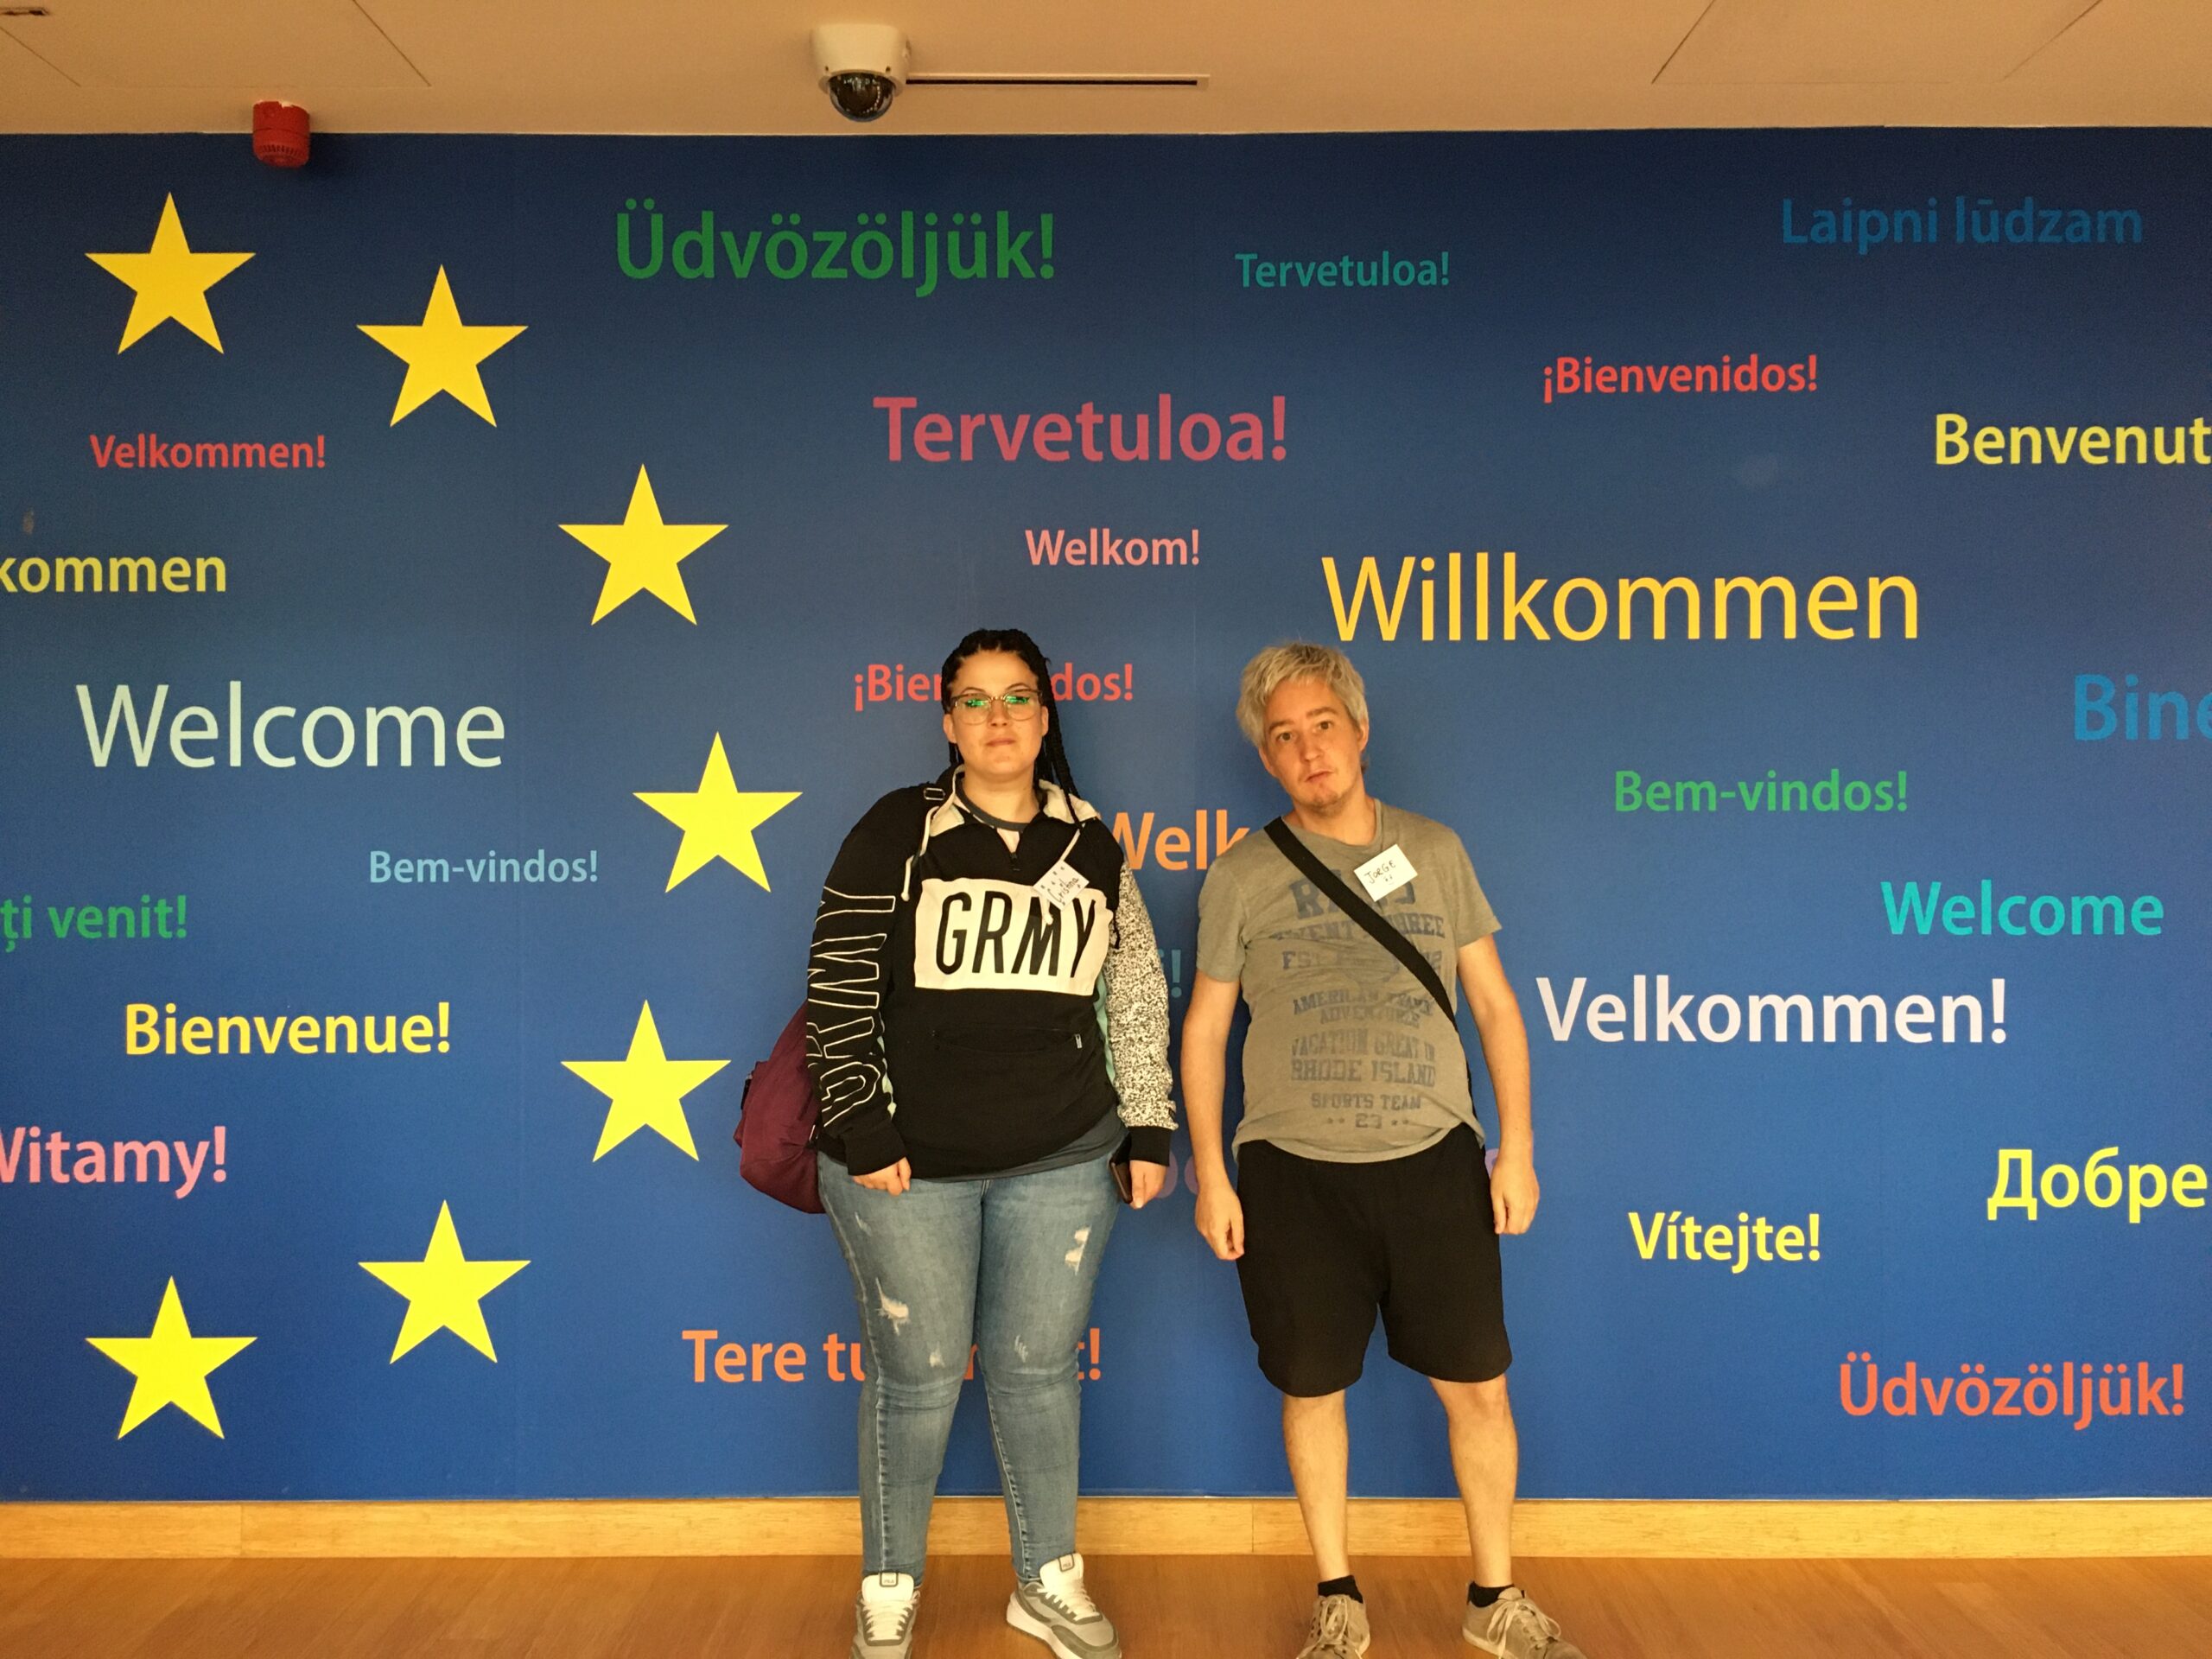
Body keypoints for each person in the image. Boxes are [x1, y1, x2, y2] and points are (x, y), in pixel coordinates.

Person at [1179, 642, 1585, 1659]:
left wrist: (1517, 1150)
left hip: (1433, 1161)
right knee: (1311, 1388)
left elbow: (1495, 1007)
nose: (1307, 750)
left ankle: (1494, 1599)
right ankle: (1337, 1598)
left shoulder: (1434, 850)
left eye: (1322, 725)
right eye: (1283, 736)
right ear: (1267, 759)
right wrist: (1213, 1175)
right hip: (1290, 1171)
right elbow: (1204, 1029)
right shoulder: (1241, 873)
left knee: (1479, 1387)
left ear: (1359, 732)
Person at [805, 627, 1175, 1659]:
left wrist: (1147, 1123)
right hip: (906, 1165)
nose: (997, 718)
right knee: (916, 1377)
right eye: (974, 700)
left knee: (1037, 1372)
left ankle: (1047, 1580)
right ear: (947, 722)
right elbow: (836, 982)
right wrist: (861, 1123)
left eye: (1017, 698)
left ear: (1046, 718)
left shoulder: (1091, 841)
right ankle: (889, 1581)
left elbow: (1134, 987)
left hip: (1062, 1157)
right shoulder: (899, 827)